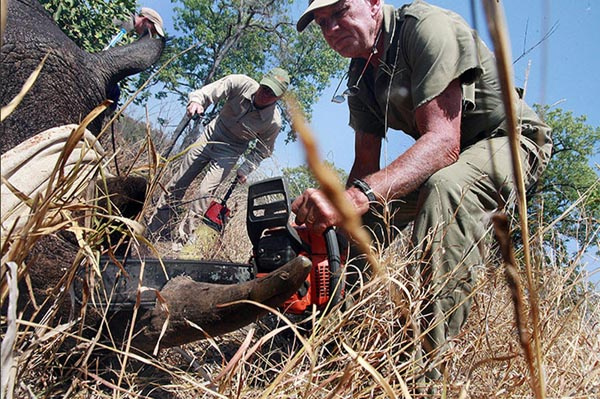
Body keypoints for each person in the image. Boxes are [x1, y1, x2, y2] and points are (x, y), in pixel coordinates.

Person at [292, 0, 552, 387]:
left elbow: (444, 143)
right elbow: (365, 167)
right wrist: (333, 218)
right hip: (452, 152)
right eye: (321, 22)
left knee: (448, 187)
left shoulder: (425, 28)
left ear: (374, 3)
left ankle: (422, 375)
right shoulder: (360, 73)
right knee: (356, 218)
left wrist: (353, 198)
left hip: (509, 142)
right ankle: (331, 338)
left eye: (341, 11)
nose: (331, 28)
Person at [148, 68, 291, 240]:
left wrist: (246, 168)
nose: (265, 95)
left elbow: (263, 150)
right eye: (265, 88)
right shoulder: (240, 82)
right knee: (178, 182)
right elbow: (209, 91)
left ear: (279, 98)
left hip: (231, 149)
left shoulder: (273, 122)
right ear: (261, 82)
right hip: (212, 133)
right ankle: (154, 229)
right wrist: (197, 101)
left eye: (271, 94)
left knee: (203, 193)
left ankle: (180, 241)